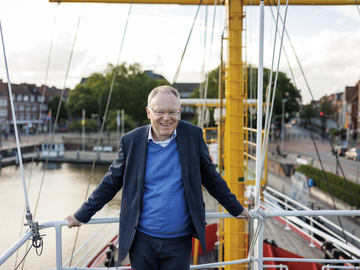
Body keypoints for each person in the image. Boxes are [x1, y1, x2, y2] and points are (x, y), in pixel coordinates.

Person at [65, 85, 250, 270]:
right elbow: (111, 181)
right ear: (148, 112)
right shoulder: (132, 141)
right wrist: (81, 215)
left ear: (179, 111)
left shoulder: (193, 136)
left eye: (172, 112)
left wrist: (236, 208)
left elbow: (211, 178)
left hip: (179, 242)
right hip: (142, 242)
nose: (166, 118)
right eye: (160, 111)